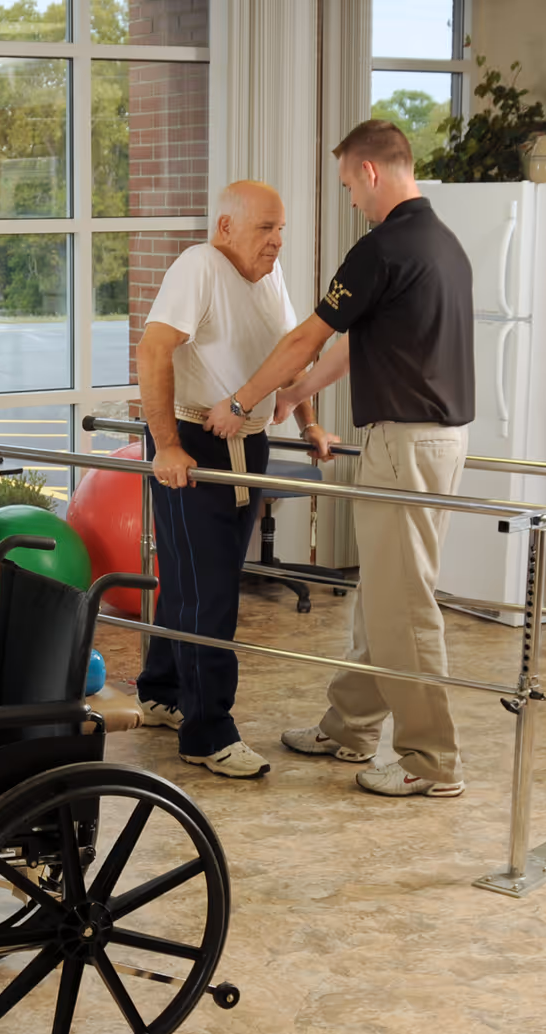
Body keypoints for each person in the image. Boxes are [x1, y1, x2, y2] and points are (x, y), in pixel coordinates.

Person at [207, 120, 475, 798]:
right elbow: (362, 344)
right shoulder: (442, 245)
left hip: (406, 443)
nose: (352, 198)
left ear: (374, 172)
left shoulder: (381, 248)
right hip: (434, 441)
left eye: (351, 183)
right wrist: (298, 394)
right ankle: (352, 727)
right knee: (380, 594)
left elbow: (307, 336)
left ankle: (431, 760)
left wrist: (243, 402)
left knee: (403, 604)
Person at [135, 179, 339, 780]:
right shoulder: (198, 266)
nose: (277, 241)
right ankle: (207, 731)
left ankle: (164, 692)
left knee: (192, 579)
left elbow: (288, 353)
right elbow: (152, 351)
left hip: (247, 440)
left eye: (281, 229)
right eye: (265, 228)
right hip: (194, 442)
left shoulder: (268, 276)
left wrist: (308, 420)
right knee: (211, 590)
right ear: (226, 227)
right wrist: (167, 445)